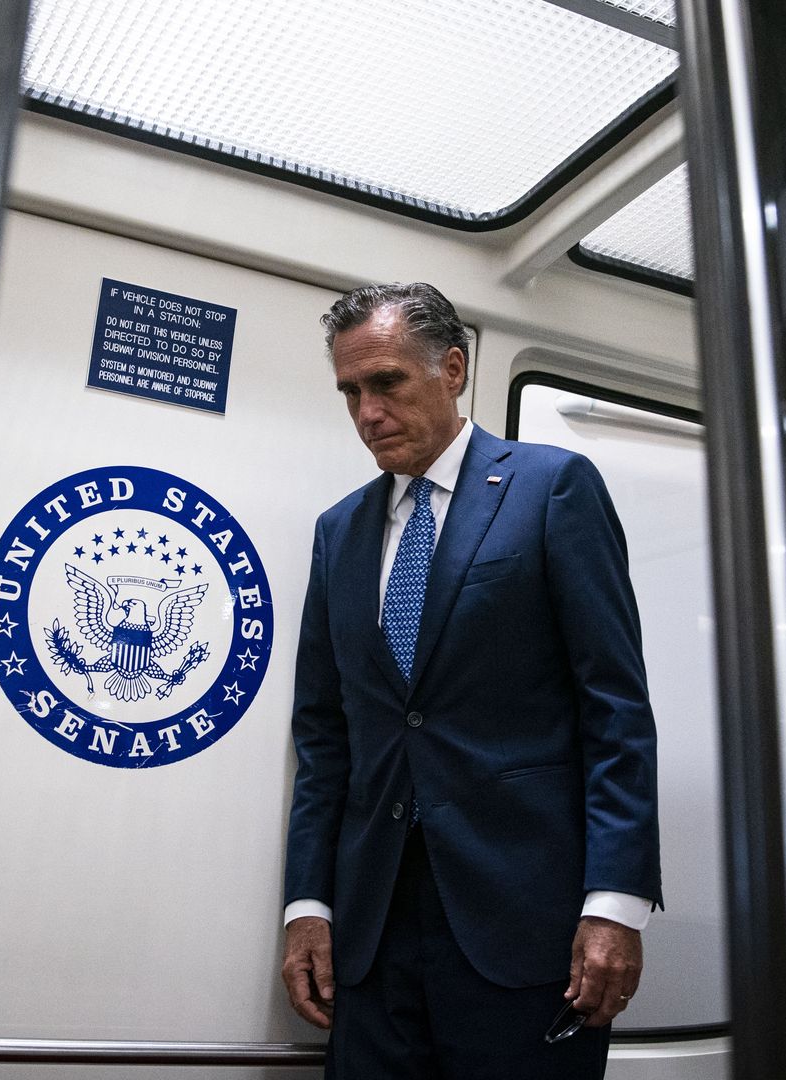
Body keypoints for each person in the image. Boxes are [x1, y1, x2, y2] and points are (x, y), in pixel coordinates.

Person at [280, 282, 661, 1078]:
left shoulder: (552, 488)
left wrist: (615, 904)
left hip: (524, 923)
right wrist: (308, 903)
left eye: (387, 382)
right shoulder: (338, 532)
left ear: (452, 369)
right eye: (351, 392)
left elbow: (614, 708)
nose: (368, 413)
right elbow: (324, 733)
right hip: (372, 931)